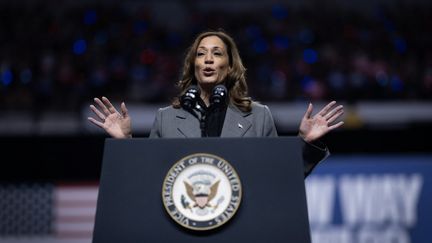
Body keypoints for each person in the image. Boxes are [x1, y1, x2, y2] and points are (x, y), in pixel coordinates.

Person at [88, 30, 344, 177]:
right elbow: (149, 179)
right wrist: (126, 145)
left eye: (217, 53)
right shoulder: (166, 118)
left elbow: (278, 179)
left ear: (230, 66)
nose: (208, 59)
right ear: (194, 65)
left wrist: (305, 145)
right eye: (201, 54)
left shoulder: (258, 116)